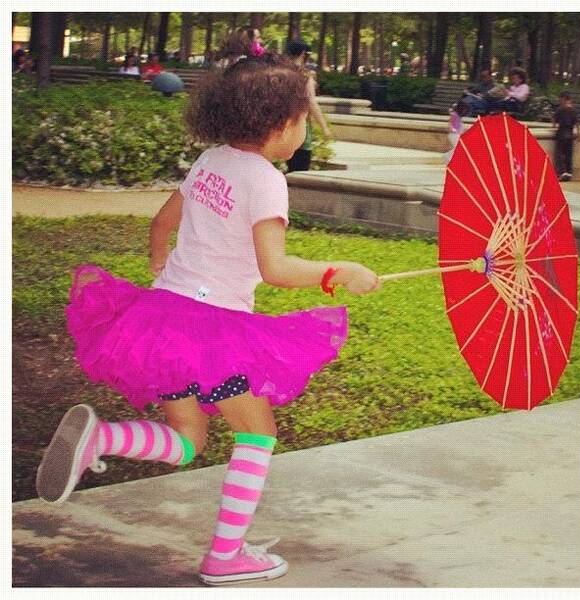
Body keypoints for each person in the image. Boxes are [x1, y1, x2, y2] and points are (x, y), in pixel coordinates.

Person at [35, 53, 380, 586]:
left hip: (162, 319)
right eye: (303, 120)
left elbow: (161, 222)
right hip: (214, 333)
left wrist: (159, 267)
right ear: (279, 124)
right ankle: (226, 556)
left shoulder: (211, 161)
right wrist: (340, 271)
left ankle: (100, 439)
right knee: (258, 435)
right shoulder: (265, 180)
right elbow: (277, 267)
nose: (304, 129)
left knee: (188, 440)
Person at [285, 39, 332, 172]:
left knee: (290, 167)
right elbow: (311, 102)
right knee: (301, 168)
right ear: (303, 53)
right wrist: (324, 127)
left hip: (282, 127)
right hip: (300, 126)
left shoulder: (279, 73)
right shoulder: (304, 76)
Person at [552, 90, 580, 181]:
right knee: (568, 154)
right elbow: (577, 123)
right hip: (570, 134)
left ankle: (562, 172)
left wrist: (554, 126)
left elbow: (554, 120)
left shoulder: (560, 109)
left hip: (561, 133)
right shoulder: (573, 110)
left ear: (563, 99)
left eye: (560, 99)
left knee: (559, 154)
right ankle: (569, 173)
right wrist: (578, 134)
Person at [444, 100, 469, 164]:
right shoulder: (454, 115)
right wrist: (452, 129)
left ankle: (448, 156)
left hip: (457, 133)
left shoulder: (458, 115)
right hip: (454, 134)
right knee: (458, 147)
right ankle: (448, 157)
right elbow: (450, 123)